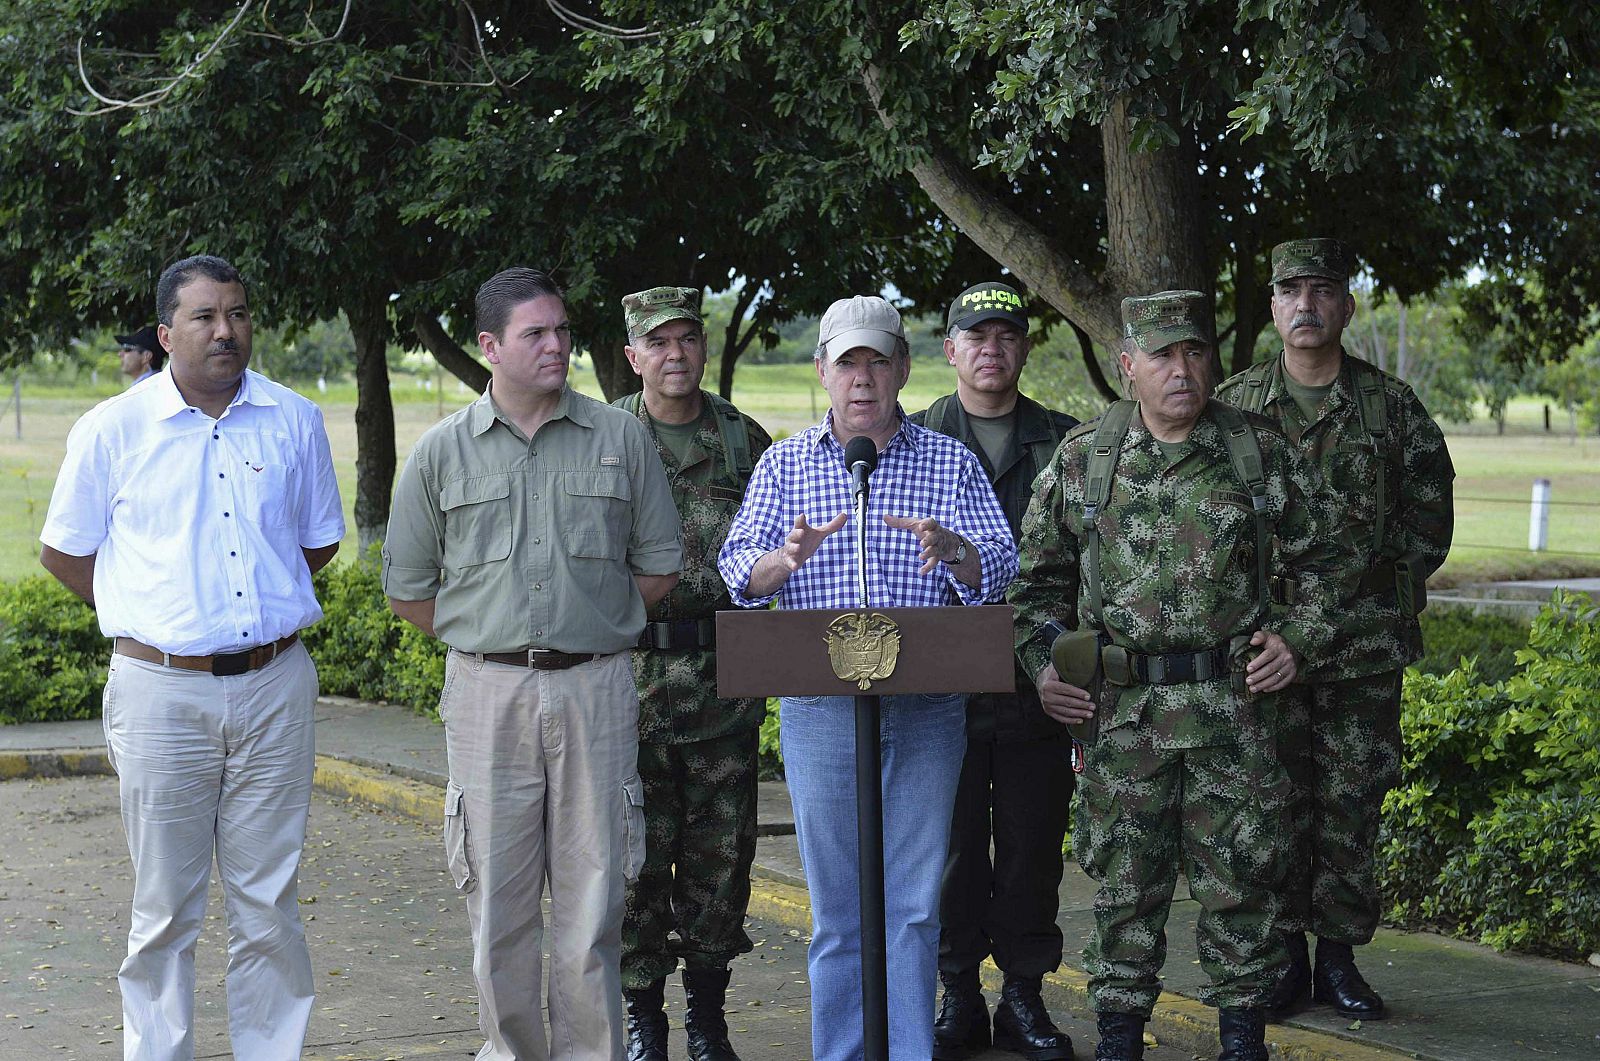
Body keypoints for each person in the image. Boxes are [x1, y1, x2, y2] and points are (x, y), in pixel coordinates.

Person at [1008, 290, 1351, 1061]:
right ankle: (1121, 1040)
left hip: (1237, 713)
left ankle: (1242, 1042)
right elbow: (1031, 592)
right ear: (1127, 364)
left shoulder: (1257, 453)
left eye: (1194, 351)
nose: (1181, 368)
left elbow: (1330, 566)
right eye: (1161, 354)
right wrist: (1043, 669)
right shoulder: (1084, 458)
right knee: (1125, 891)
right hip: (1125, 717)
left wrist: (1296, 637)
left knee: (1244, 891)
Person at [39, 254, 345, 1061]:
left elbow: (315, 543)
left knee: (269, 901)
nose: (225, 330)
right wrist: (155, 618)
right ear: (166, 331)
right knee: (165, 906)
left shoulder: (294, 419)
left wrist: (244, 621)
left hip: (276, 685)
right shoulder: (113, 428)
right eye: (206, 316)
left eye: (238, 313)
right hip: (159, 692)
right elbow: (65, 553)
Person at [382, 267, 683, 1061]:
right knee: (499, 904)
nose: (557, 346)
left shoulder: (620, 439)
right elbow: (409, 589)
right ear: (489, 348)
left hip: (597, 688)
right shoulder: (442, 452)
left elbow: (657, 566)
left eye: (562, 330)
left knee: (593, 903)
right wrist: (491, 640)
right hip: (487, 693)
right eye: (535, 334)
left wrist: (594, 626)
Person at [717, 294, 1018, 1061]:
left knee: (914, 907)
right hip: (820, 713)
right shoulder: (785, 463)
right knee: (840, 914)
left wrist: (957, 552)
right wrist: (781, 561)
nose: (861, 378)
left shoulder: (949, 462)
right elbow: (735, 569)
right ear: (821, 370)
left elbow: (1001, 565)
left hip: (925, 712)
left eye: (876, 360)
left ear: (904, 369)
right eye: (846, 362)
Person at [1215, 239, 1455, 1021]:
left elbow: (1426, 528)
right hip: (1265, 651)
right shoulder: (1235, 405)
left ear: (1346, 306)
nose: (1307, 303)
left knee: (1352, 804)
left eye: (1323, 289)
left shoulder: (1391, 407)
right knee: (1271, 802)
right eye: (1291, 289)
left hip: (1360, 650)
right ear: (1275, 306)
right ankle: (1284, 958)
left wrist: (1366, 605)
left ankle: (1341, 960)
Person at [910, 281, 1078, 1061]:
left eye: (1006, 334)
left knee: (1031, 845)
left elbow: (1089, 569)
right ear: (949, 350)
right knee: (948, 854)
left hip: (1034, 691)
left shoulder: (1067, 444)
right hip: (939, 689)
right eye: (974, 335)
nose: (990, 347)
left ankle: (1023, 994)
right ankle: (958, 996)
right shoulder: (915, 443)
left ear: (1023, 347)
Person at [612, 286, 772, 1061]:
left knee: (720, 863)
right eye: (658, 342)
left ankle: (708, 1021)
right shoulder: (602, 437)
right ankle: (644, 1021)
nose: (675, 354)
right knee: (633, 866)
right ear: (632, 355)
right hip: (627, 690)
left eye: (687, 339)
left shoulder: (746, 441)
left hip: (723, 688)